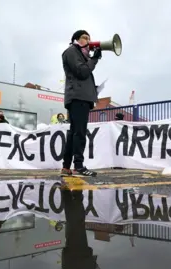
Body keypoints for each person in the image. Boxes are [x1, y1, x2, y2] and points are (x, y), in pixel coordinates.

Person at [61, 30, 102, 177]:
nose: (88, 41)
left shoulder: (82, 55)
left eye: (89, 38)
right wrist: (94, 59)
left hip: (80, 97)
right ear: (76, 39)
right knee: (79, 133)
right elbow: (82, 72)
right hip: (78, 98)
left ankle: (66, 167)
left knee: (74, 133)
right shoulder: (71, 51)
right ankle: (79, 165)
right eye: (85, 38)